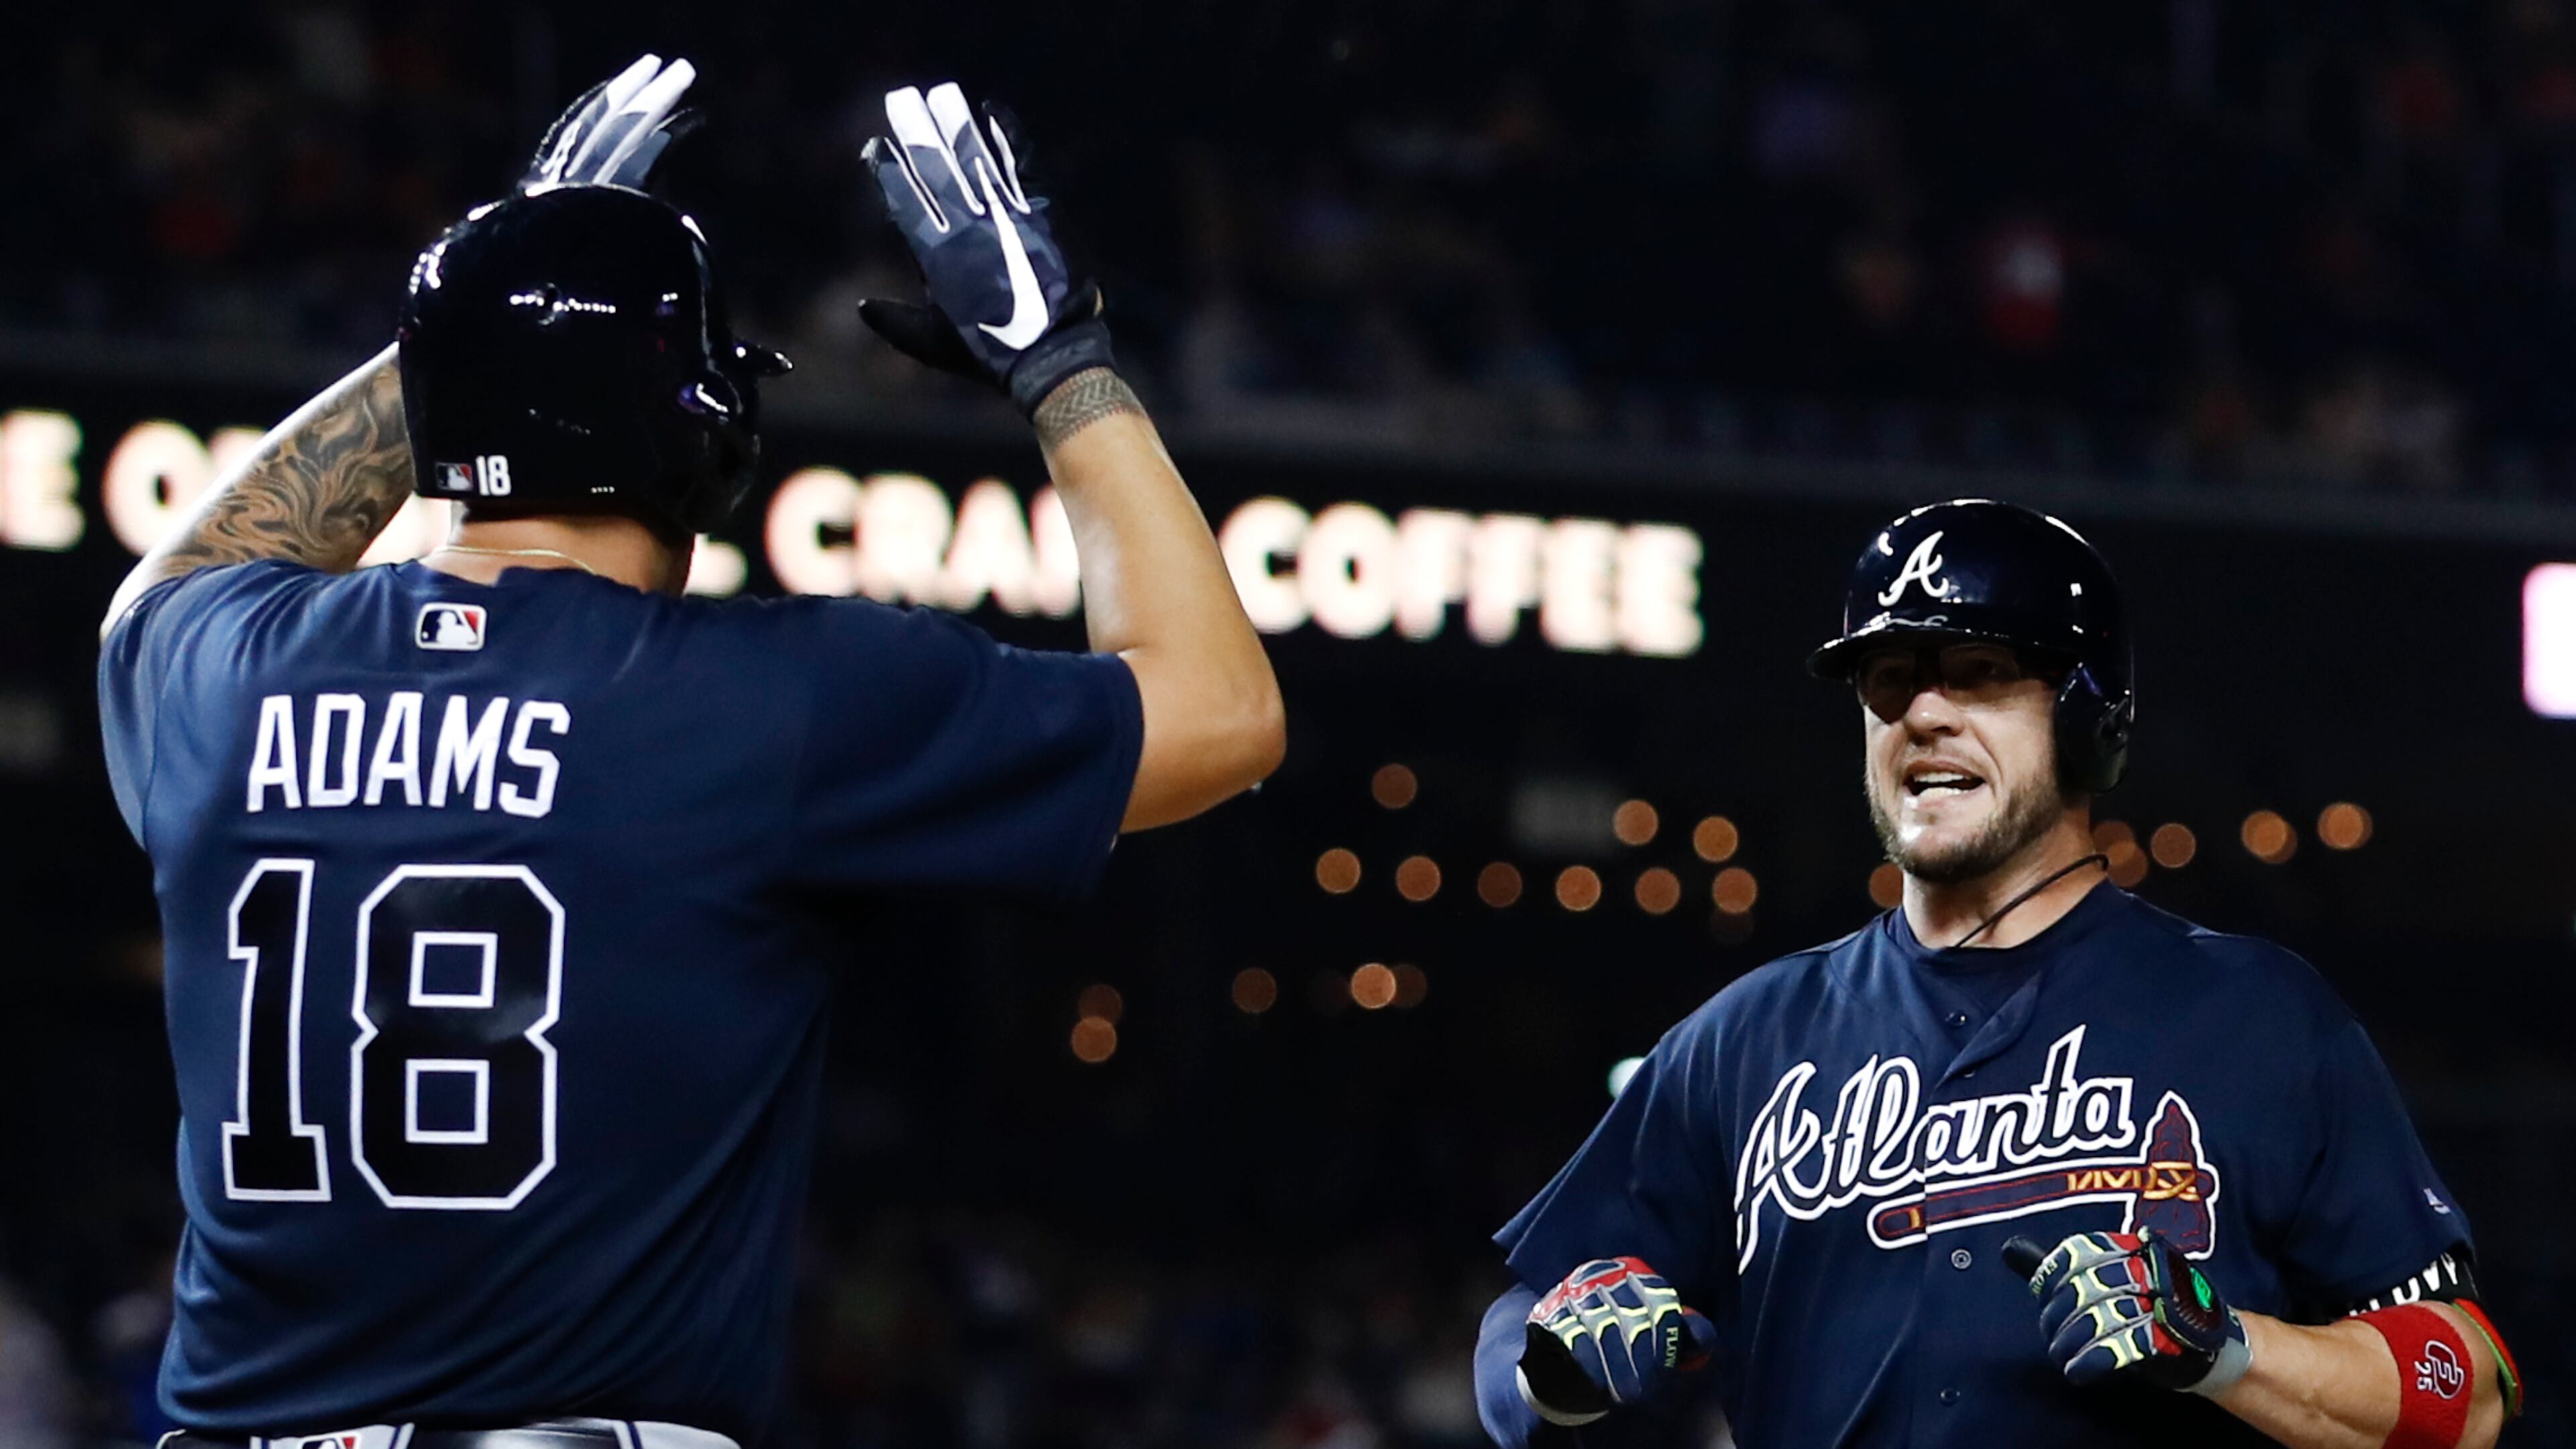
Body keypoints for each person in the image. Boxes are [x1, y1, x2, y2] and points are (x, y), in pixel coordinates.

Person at [97, 60, 1281, 1448]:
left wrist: (494, 292)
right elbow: (1220, 714)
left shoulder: (218, 671)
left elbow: (179, 573)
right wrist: (1063, 365)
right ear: (705, 435)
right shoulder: (767, 698)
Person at [1471, 500, 2523, 1448]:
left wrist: (2224, 1343)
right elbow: (1516, 1326)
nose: (1923, 713)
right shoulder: (1745, 1039)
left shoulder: (2260, 1018)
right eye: (1890, 680)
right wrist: (1552, 1366)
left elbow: (2469, 1387)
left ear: (2089, 719)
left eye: (1978, 672)